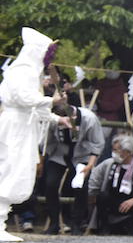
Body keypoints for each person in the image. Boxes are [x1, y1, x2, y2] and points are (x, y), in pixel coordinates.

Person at [0, 28, 64, 241]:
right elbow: (24, 98)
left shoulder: (29, 71)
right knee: (9, 169)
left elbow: (33, 108)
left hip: (23, 125)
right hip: (16, 127)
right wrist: (51, 100)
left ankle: (0, 221)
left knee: (15, 170)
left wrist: (57, 118)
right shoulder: (22, 70)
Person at [42, 98, 105, 235]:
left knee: (80, 187)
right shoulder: (52, 120)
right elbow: (47, 141)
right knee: (51, 184)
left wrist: (90, 164)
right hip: (59, 154)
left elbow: (97, 143)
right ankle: (54, 223)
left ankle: (76, 223)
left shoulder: (89, 119)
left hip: (82, 155)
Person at [87, 134, 133, 235]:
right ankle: (105, 226)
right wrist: (93, 193)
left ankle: (129, 223)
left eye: (117, 150)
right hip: (112, 200)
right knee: (102, 196)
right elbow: (95, 176)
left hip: (132, 203)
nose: (114, 153)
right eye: (113, 150)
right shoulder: (109, 163)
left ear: (128, 152)